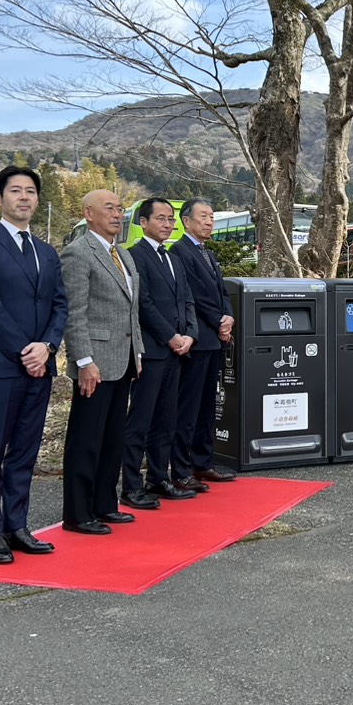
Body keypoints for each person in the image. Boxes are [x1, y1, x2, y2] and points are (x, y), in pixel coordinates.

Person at [0, 166, 68, 565]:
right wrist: (26, 350)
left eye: (31, 191)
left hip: (41, 364)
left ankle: (17, 525)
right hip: (0, 366)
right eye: (16, 191)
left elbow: (60, 304)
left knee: (25, 451)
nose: (24, 197)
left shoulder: (46, 252)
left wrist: (48, 346)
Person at [59, 189, 144, 535]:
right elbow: (74, 312)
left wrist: (138, 351)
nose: (117, 214)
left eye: (120, 208)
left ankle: (106, 504)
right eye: (109, 208)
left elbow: (131, 310)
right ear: (89, 213)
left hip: (124, 359)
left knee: (112, 438)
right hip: (94, 361)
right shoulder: (78, 252)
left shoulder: (123, 254)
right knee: (86, 438)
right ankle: (78, 513)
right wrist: (84, 360)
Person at [122, 198, 199, 508]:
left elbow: (187, 300)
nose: (168, 224)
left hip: (177, 352)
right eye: (161, 218)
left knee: (167, 419)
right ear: (144, 223)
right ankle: (131, 486)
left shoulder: (173, 259)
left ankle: (158, 478)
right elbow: (143, 304)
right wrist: (170, 336)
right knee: (140, 420)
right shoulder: (134, 256)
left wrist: (190, 334)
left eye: (171, 219)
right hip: (152, 351)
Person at [169, 199, 237, 490]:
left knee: (208, 406)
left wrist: (229, 316)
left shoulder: (208, 253)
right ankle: (181, 468)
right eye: (203, 216)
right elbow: (194, 294)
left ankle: (203, 463)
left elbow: (222, 291)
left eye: (212, 216)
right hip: (196, 339)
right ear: (186, 221)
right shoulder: (179, 251)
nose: (209, 222)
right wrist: (218, 320)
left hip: (214, 340)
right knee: (189, 407)